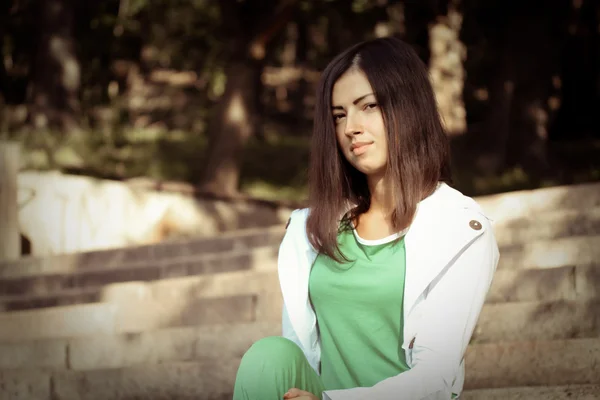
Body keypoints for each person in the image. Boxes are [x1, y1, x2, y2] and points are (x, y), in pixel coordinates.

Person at [232, 36, 499, 400]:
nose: (350, 128)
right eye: (339, 115)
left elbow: (436, 376)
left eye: (368, 106)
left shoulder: (460, 229)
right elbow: (299, 348)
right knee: (269, 357)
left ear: (408, 107)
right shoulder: (313, 229)